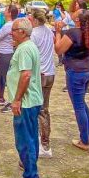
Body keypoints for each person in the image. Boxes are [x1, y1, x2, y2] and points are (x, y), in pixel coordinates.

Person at [7, 18, 43, 178]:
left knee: (24, 139)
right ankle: (29, 164)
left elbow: (26, 75)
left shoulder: (25, 49)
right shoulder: (28, 47)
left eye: (13, 30)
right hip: (32, 100)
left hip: (26, 102)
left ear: (22, 31)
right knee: (31, 135)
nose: (10, 33)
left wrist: (17, 99)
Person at [55, 9, 89, 151]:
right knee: (82, 103)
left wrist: (57, 32)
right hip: (88, 68)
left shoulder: (73, 33)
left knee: (78, 106)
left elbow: (59, 49)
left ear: (78, 19)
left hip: (76, 71)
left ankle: (84, 140)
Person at [29, 10, 56, 158]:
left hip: (40, 74)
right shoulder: (49, 31)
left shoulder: (34, 34)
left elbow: (32, 54)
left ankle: (42, 143)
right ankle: (45, 142)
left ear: (34, 19)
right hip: (50, 72)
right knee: (45, 109)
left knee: (37, 109)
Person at [0, 5, 18, 112]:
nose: (4, 11)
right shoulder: (9, 24)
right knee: (1, 76)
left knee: (2, 76)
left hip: (5, 54)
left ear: (9, 13)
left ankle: (2, 97)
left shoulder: (9, 25)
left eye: (6, 10)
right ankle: (1, 96)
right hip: (4, 53)